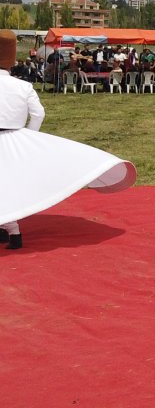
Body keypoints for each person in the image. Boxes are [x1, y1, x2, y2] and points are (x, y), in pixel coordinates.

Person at [0, 30, 137, 250]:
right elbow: (39, 114)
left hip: (13, 137)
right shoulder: (23, 86)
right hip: (16, 138)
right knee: (11, 183)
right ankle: (13, 230)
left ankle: (10, 228)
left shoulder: (23, 86)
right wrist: (28, 139)